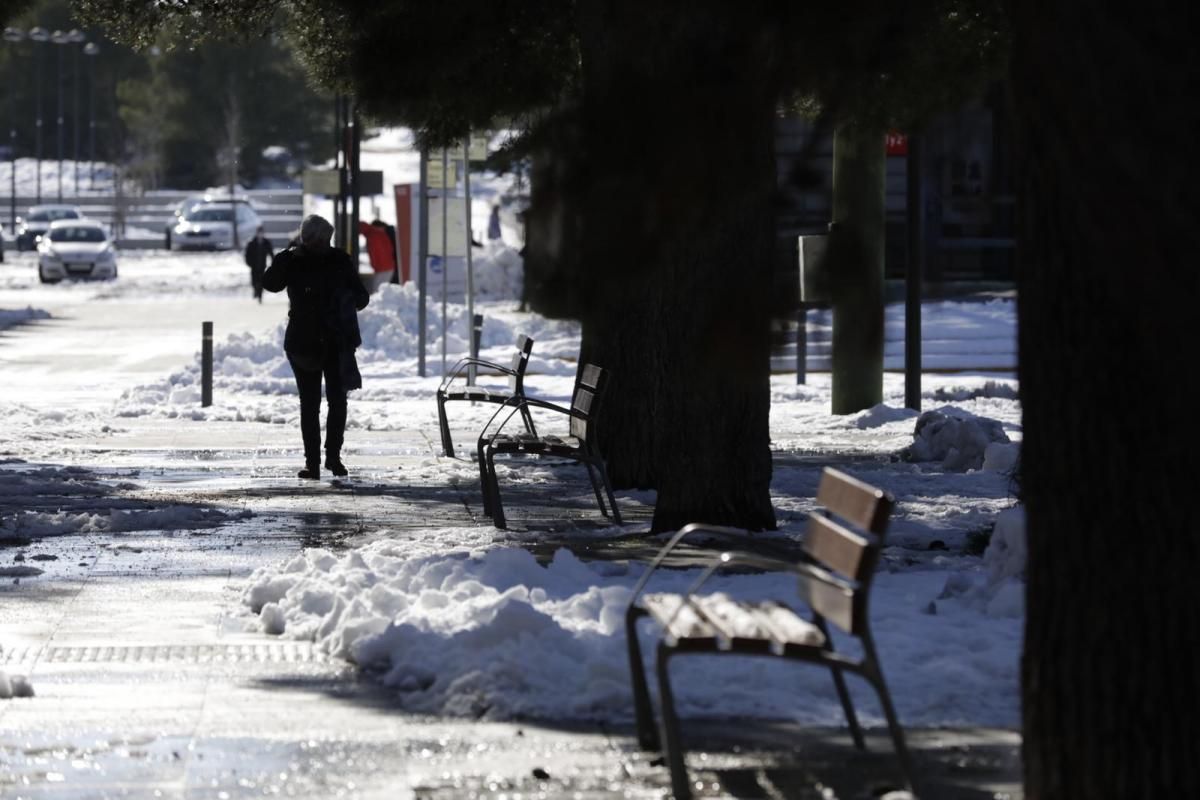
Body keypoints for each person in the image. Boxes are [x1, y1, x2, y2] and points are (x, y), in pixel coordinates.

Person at [262, 215, 369, 480]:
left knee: (332, 401)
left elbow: (361, 297)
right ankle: (316, 461)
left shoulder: (337, 260)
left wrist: (345, 298)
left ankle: (331, 457)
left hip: (331, 341)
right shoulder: (295, 260)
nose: (326, 244)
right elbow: (270, 283)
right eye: (322, 239)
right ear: (309, 238)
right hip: (305, 343)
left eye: (328, 239)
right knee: (313, 403)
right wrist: (285, 257)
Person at [243, 225, 274, 303]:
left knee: (261, 281)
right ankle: (255, 291)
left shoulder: (266, 242)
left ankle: (260, 296)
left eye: (261, 232)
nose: (260, 234)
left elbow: (271, 253)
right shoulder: (252, 242)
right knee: (254, 281)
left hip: (262, 265)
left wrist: (273, 262)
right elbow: (247, 254)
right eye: (259, 232)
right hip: (254, 265)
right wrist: (249, 263)